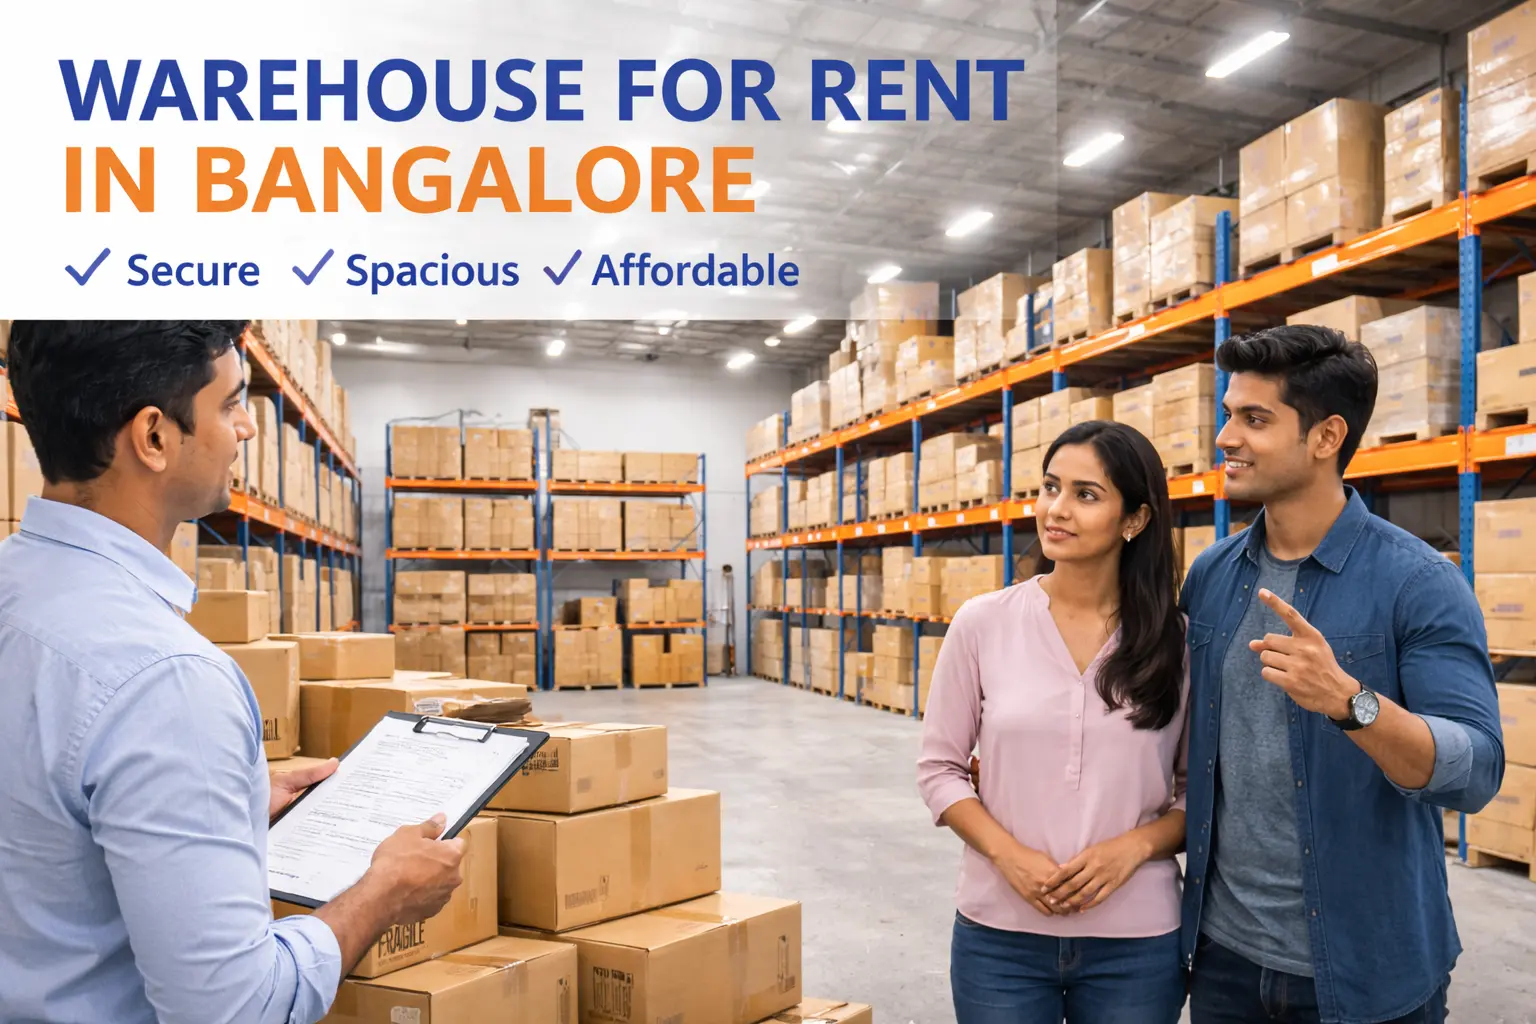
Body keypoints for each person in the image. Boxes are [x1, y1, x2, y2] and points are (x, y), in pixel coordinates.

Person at [0, 321, 466, 1024]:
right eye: (230, 404)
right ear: (153, 436)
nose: (249, 427)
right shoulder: (167, 680)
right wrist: (384, 893)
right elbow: (237, 1009)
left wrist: (223, 800)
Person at [1179, 324, 1505, 1024]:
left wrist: (1352, 704)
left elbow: (1477, 770)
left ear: (1326, 438)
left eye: (1255, 419)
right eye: (1228, 415)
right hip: (1224, 962)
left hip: (1367, 967)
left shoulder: (1417, 582)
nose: (1225, 438)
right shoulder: (1210, 577)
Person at [918, 420, 1190, 1024]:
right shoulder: (983, 623)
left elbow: (1200, 791)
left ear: (1135, 520)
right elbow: (939, 770)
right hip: (999, 936)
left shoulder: (1177, 642)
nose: (1056, 510)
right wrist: (1009, 856)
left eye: (1086, 495)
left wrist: (1136, 846)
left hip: (1137, 941)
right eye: (1050, 487)